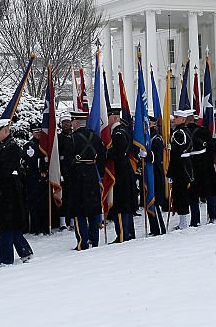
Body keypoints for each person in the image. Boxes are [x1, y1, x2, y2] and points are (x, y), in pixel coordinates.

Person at [0, 118, 34, 266]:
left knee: (6, 225)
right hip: (2, 191)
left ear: (6, 131)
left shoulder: (12, 147)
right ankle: (25, 251)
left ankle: (5, 259)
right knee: (9, 225)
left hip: (9, 192)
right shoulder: (0, 146)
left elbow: (7, 170)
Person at [67, 111, 102, 249]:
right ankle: (94, 240)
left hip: (78, 177)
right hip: (92, 174)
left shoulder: (72, 139)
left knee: (79, 211)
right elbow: (102, 156)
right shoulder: (95, 137)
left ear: (76, 123)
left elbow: (67, 161)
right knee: (93, 209)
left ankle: (82, 241)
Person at [107, 107, 137, 242]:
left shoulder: (118, 134)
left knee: (120, 204)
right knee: (126, 204)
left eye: (108, 118)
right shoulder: (124, 130)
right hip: (125, 171)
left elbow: (118, 154)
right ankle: (129, 232)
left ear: (113, 118)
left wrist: (105, 154)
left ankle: (123, 234)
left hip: (120, 173)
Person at [167, 110, 197, 229]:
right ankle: (182, 221)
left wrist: (171, 147)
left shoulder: (180, 132)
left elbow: (177, 152)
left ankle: (184, 223)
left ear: (183, 119)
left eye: (177, 117)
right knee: (180, 194)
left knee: (181, 195)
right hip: (183, 165)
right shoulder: (183, 130)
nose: (175, 119)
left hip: (180, 167)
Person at [23, 127, 50, 235]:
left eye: (39, 132)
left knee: (44, 204)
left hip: (44, 178)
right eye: (36, 132)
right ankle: (35, 227)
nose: (38, 134)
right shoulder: (28, 145)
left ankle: (45, 227)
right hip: (32, 178)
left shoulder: (45, 144)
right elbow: (26, 161)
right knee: (34, 204)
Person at [144, 116, 168, 235]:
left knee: (156, 200)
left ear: (153, 124)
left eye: (149, 122)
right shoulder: (147, 137)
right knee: (149, 199)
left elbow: (157, 157)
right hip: (148, 171)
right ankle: (153, 227)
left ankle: (159, 228)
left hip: (155, 171)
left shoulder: (156, 138)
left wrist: (146, 155)